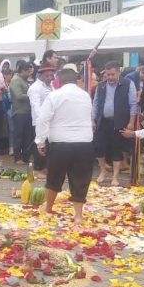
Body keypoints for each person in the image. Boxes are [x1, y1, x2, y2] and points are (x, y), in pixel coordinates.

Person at [35, 65, 94, 222]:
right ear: (76, 81)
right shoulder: (85, 95)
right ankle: (78, 215)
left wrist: (40, 142)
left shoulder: (54, 96)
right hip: (84, 143)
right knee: (81, 179)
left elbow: (42, 119)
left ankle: (48, 207)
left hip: (60, 144)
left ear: (59, 81)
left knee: (54, 177)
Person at [92, 61, 138, 186]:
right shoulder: (100, 86)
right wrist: (92, 120)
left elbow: (133, 104)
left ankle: (115, 176)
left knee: (116, 149)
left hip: (119, 121)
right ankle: (103, 171)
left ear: (118, 72)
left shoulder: (128, 84)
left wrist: (131, 122)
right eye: (108, 75)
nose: (110, 77)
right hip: (102, 121)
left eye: (113, 74)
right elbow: (95, 104)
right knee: (99, 147)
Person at [28, 66, 55, 175]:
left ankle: (45, 167)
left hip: (51, 120)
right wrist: (42, 119)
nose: (49, 78)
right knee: (39, 143)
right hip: (39, 120)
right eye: (46, 76)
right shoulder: (35, 88)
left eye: (50, 76)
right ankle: (38, 169)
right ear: (40, 76)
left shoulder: (51, 86)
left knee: (47, 144)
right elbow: (36, 106)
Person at [10, 60, 33, 165]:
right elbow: (18, 96)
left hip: (27, 112)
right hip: (19, 112)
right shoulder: (16, 80)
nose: (29, 74)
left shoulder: (24, 80)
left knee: (27, 136)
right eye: (28, 71)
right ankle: (17, 157)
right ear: (22, 70)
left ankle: (25, 157)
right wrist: (32, 96)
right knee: (19, 135)